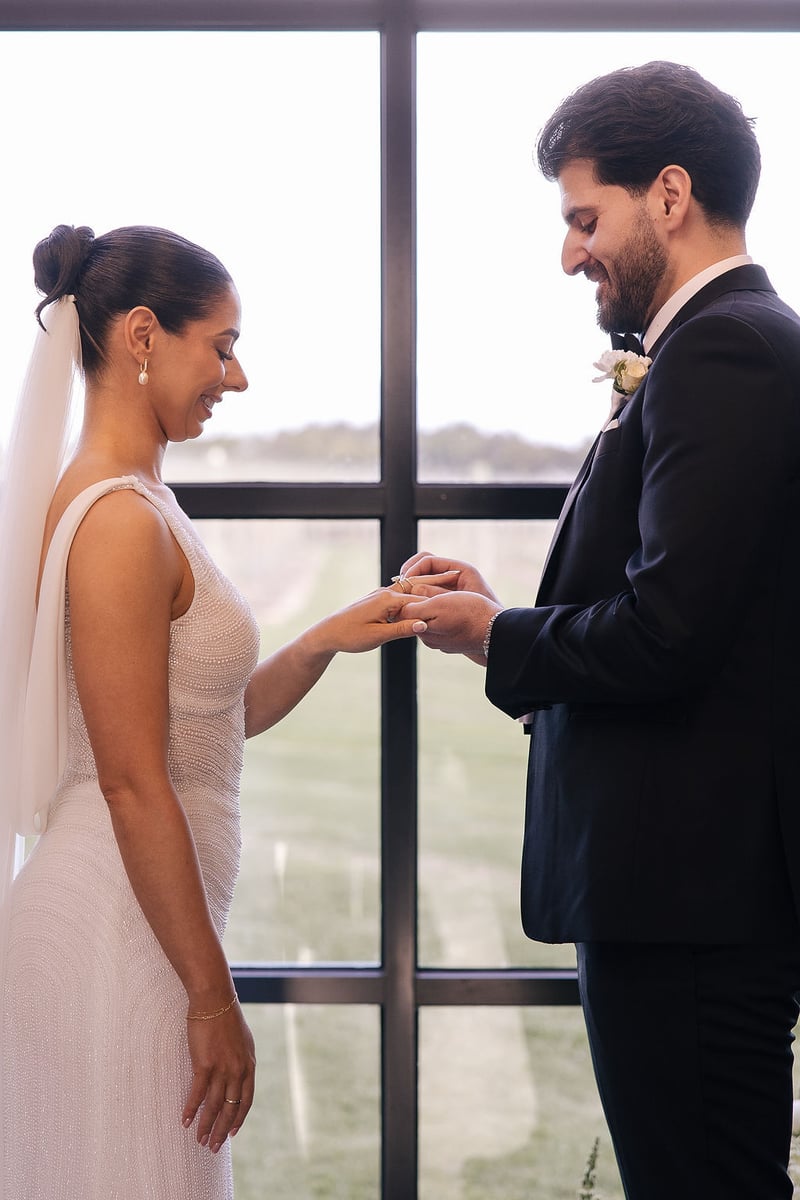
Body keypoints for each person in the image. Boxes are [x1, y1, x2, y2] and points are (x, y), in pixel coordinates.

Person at [398, 62, 800, 1200]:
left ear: (668, 194)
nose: (570, 254)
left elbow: (667, 631)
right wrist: (505, 614)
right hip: (693, 888)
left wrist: (499, 637)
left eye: (584, 219)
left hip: (687, 893)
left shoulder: (723, 349)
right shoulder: (717, 345)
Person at [0, 223, 424, 1200]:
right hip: (113, 935)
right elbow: (130, 780)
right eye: (222, 347)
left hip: (141, 923)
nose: (236, 378)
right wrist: (209, 996)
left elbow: (200, 727)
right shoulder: (118, 519)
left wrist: (321, 639)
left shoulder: (140, 497)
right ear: (143, 335)